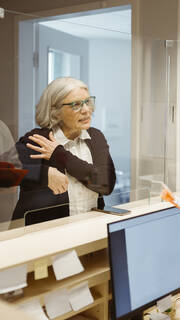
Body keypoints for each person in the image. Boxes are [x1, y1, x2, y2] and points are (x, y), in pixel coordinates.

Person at [13, 77, 116, 224]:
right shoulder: (38, 139)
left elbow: (106, 184)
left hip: (90, 229)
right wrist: (44, 174)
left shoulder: (95, 137)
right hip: (47, 237)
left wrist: (60, 155)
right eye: (76, 105)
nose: (86, 110)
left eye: (87, 102)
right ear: (55, 112)